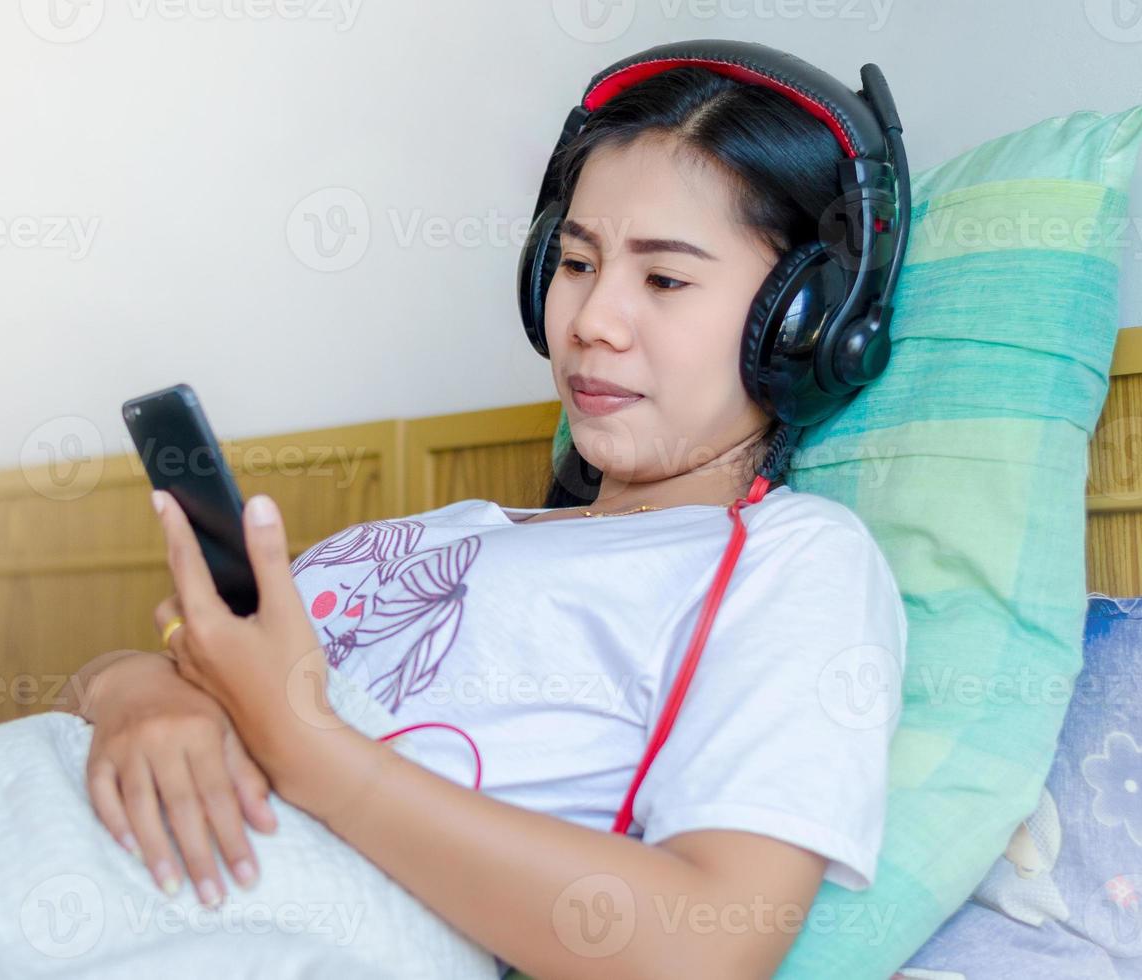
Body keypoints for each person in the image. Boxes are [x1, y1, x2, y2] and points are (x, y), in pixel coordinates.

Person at [59, 61, 908, 980]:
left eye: (663, 280)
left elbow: (706, 943)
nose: (593, 320)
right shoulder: (445, 531)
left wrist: (309, 749)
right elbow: (172, 677)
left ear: (803, 324)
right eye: (577, 264)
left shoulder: (795, 563)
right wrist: (137, 692)